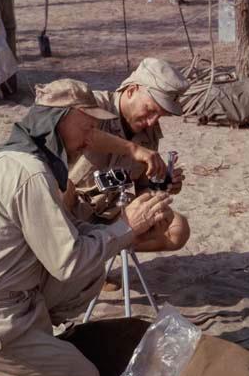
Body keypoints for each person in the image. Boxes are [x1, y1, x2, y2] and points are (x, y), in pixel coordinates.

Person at [0, 79, 174, 376]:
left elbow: (69, 237)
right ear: (59, 119)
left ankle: (33, 351)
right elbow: (68, 260)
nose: (91, 138)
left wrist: (129, 229)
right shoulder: (29, 174)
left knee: (91, 270)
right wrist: (125, 227)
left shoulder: (21, 161)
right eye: (87, 126)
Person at [65, 58, 191, 275]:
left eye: (160, 116)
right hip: (68, 212)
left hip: (111, 213)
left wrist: (160, 188)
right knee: (61, 189)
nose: (152, 121)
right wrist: (133, 149)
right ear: (132, 90)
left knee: (176, 229)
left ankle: (100, 257)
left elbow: (141, 186)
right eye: (151, 110)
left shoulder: (149, 134)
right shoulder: (94, 106)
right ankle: (79, 263)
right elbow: (84, 135)